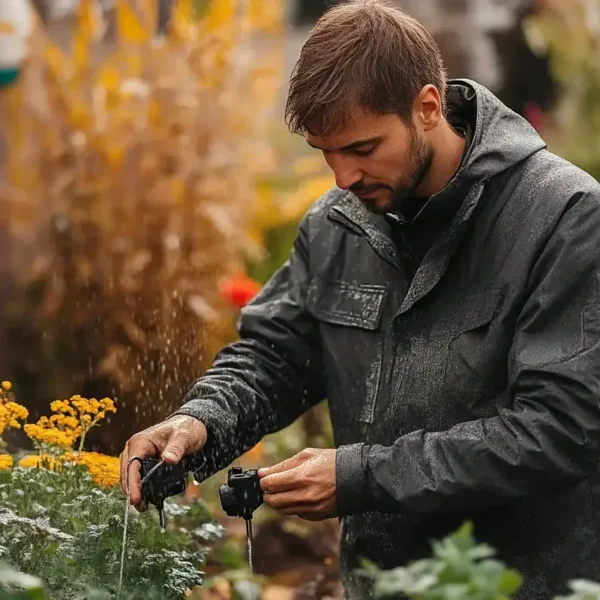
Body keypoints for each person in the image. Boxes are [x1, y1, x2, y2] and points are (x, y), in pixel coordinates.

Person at [120, 1, 600, 598]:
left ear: (428, 106)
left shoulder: (563, 218)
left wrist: (361, 477)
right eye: (328, 153)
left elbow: (560, 430)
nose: (341, 178)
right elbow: (275, 358)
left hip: (518, 583)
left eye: (363, 149)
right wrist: (199, 423)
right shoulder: (336, 226)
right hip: (377, 584)